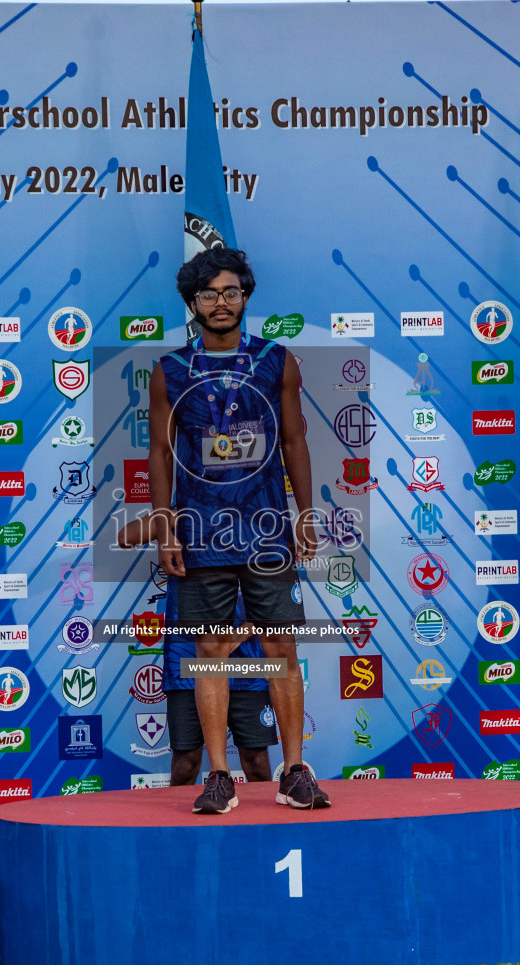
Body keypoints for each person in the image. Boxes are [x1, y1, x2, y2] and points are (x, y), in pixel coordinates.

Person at [148, 248, 323, 814]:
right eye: (207, 294)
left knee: (280, 650)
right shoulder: (170, 370)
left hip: (267, 527)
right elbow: (159, 453)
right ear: (191, 304)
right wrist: (165, 528)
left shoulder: (278, 360)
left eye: (230, 292)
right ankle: (218, 777)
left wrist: (304, 512)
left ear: (245, 296)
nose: (220, 303)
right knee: (210, 652)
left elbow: (295, 441)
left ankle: (294, 772)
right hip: (201, 531)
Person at [117, 515, 275, 787]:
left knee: (256, 761)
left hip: (246, 657)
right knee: (186, 762)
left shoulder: (257, 516)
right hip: (187, 655)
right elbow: (125, 537)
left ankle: (263, 829)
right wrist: (177, 516)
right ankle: (182, 828)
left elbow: (274, 591)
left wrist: (236, 637)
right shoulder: (184, 516)